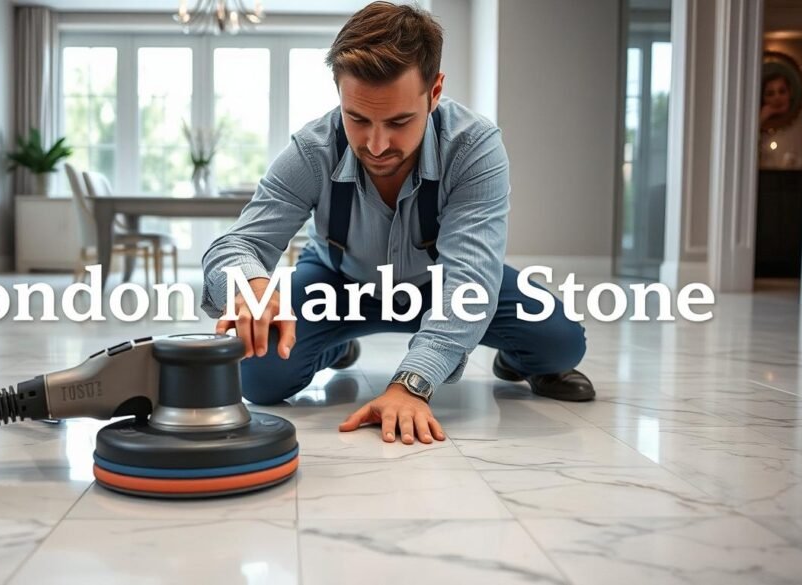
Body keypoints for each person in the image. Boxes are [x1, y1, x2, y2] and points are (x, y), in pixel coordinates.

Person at [200, 1, 593, 446]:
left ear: (435, 91)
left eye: (399, 121)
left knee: (561, 344)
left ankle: (513, 360)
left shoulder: (474, 147)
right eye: (357, 118)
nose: (376, 144)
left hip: (447, 281)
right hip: (338, 283)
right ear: (339, 93)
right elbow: (237, 244)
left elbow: (470, 279)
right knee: (259, 374)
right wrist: (248, 286)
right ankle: (334, 344)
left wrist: (411, 384)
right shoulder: (312, 150)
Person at [759, 71, 802, 170]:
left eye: (782, 91)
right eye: (770, 94)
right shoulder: (759, 128)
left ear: (790, 93)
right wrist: (761, 119)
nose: (777, 98)